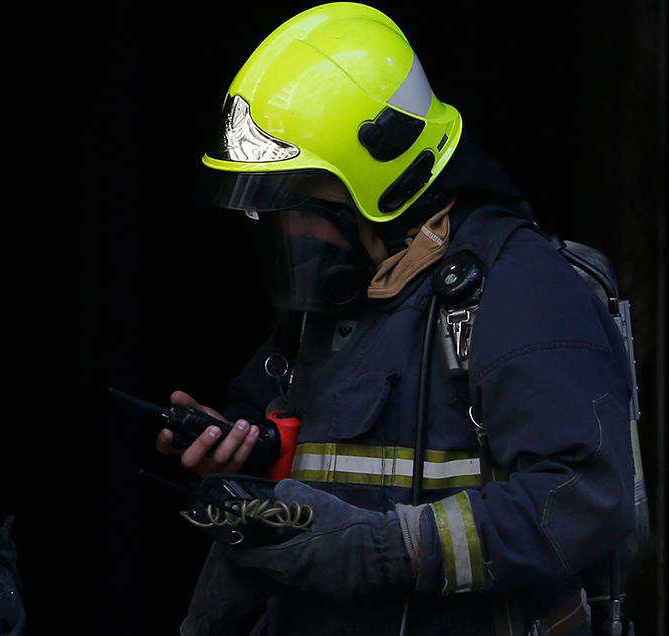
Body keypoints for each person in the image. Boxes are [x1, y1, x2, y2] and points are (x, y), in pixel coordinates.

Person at [156, 4, 638, 635]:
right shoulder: (338, 298)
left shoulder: (518, 288)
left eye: (300, 202)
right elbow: (306, 461)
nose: (287, 229)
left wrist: (386, 549)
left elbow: (584, 499)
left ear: (384, 179)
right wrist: (239, 459)